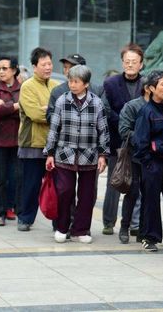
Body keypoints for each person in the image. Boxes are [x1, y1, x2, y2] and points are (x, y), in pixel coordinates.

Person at [45, 65, 110, 244]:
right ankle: (62, 227)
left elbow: (103, 131)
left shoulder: (97, 103)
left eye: (76, 82)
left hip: (89, 155)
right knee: (64, 191)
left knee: (87, 194)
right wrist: (49, 153)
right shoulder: (61, 101)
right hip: (64, 154)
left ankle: (81, 229)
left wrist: (103, 155)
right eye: (70, 81)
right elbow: (54, 129)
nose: (72, 85)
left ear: (86, 84)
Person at [102, 43, 144, 235]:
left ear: (141, 64)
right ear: (122, 63)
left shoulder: (147, 84)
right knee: (115, 180)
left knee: (137, 184)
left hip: (141, 140)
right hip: (117, 140)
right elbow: (106, 109)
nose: (130, 65)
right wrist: (124, 123)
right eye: (127, 61)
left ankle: (134, 223)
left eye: (134, 62)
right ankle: (108, 222)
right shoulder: (110, 83)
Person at [16, 47, 59, 232]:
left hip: (55, 144)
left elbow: (61, 112)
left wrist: (47, 110)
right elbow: (34, 114)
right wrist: (51, 112)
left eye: (49, 63)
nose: (48, 67)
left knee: (58, 186)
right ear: (35, 66)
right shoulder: (27, 86)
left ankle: (59, 221)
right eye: (43, 64)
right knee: (31, 185)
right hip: (32, 143)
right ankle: (25, 218)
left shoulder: (57, 85)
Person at [133, 70, 163, 252]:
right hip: (152, 163)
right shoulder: (146, 111)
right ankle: (150, 237)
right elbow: (140, 141)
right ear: (151, 88)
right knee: (151, 201)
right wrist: (147, 161)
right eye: (162, 85)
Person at [0, 56, 22, 226]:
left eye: (4, 68)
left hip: (18, 140)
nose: (0, 71)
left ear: (14, 70)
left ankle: (11, 207)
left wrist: (5, 105)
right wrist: (15, 105)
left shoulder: (23, 88)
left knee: (16, 177)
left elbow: (26, 111)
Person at [117, 77, 150, 243]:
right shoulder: (132, 106)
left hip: (154, 158)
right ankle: (125, 226)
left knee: (150, 194)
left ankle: (144, 229)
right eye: (162, 84)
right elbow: (123, 130)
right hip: (134, 156)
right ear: (148, 88)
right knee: (132, 192)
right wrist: (145, 138)